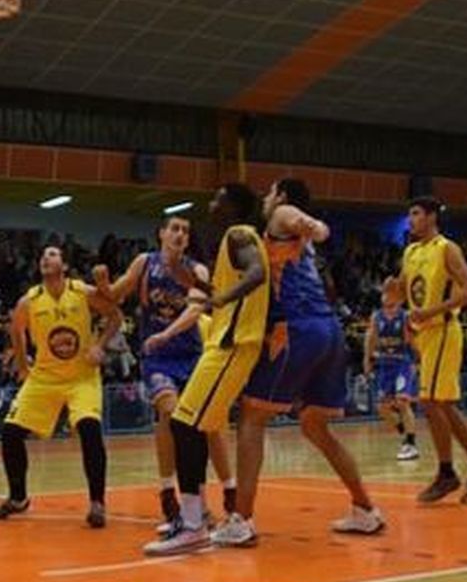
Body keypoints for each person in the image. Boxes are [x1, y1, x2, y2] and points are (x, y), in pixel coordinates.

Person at [218, 180, 384, 547]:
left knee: (252, 416)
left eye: (271, 191)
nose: (266, 198)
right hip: (328, 331)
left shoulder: (281, 216)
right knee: (314, 425)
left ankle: (241, 520)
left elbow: (304, 223)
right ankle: (365, 509)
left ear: (283, 197)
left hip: (295, 329)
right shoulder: (292, 247)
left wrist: (313, 226)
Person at [144, 185, 269, 556]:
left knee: (184, 424)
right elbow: (230, 283)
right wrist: (198, 284)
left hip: (230, 345)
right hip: (224, 345)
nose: (211, 204)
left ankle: (194, 524)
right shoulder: (235, 241)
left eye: (218, 199)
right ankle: (195, 518)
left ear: (233, 206)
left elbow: (257, 273)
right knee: (189, 424)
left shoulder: (240, 234)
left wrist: (221, 298)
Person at [93, 214, 237, 532]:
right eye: (175, 228)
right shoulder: (144, 263)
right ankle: (171, 495)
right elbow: (114, 296)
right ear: (161, 233)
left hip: (191, 355)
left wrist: (168, 333)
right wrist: (102, 280)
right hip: (158, 358)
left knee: (205, 427)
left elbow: (196, 308)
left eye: (186, 230)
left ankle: (222, 495)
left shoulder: (197, 271)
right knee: (172, 416)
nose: (180, 234)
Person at [0, 246, 122, 528]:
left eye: (53, 254)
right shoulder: (30, 300)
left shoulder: (81, 291)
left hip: (81, 376)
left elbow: (115, 316)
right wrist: (23, 365)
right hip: (44, 377)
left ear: (65, 265)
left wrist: (99, 344)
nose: (46, 258)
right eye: (43, 255)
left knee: (89, 429)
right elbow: (15, 330)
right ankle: (18, 498)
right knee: (10, 432)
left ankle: (97, 502)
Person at [400, 197, 467, 503]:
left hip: (443, 329)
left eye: (416, 214)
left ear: (431, 217)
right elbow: (409, 289)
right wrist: (399, 305)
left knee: (431, 402)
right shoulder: (411, 251)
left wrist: (432, 311)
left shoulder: (447, 248)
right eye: (410, 215)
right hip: (423, 333)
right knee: (441, 404)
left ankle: (447, 472)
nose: (411, 220)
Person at [366, 276, 421, 461]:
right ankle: (405, 433)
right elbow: (371, 337)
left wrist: (419, 361)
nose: (385, 294)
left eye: (389, 291)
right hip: (384, 364)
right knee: (382, 407)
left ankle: (411, 444)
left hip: (402, 363)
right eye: (384, 290)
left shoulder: (405, 316)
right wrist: (367, 358)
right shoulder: (377, 316)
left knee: (402, 402)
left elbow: (414, 342)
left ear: (398, 296)